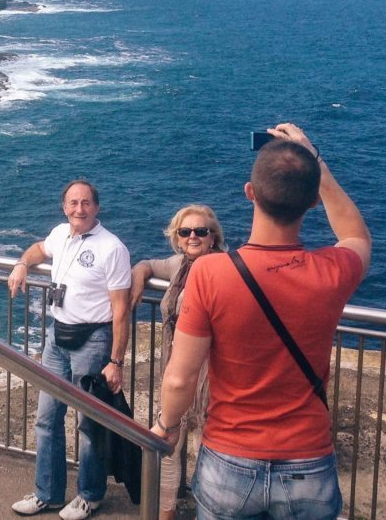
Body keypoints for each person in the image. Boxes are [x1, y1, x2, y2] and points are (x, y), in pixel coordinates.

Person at [153, 123, 371, 519]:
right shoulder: (333, 270)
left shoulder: (211, 273)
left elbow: (180, 378)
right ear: (310, 203)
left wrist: (166, 426)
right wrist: (316, 163)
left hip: (229, 458)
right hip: (308, 459)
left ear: (250, 193)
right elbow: (356, 235)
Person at [8, 180, 133, 519]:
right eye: (74, 203)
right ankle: (47, 493)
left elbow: (121, 310)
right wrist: (22, 263)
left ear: (97, 207)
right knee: (47, 419)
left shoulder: (112, 248)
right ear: (64, 207)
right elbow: (37, 249)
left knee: (88, 423)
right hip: (57, 338)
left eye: (86, 203)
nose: (80, 209)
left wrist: (116, 360)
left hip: (92, 341)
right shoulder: (61, 234)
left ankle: (89, 495)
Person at [129, 205, 226, 520]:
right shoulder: (178, 265)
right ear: (177, 237)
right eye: (186, 232)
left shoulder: (225, 268)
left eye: (201, 231)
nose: (193, 237)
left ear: (214, 237)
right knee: (169, 443)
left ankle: (210, 512)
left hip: (211, 374)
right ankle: (166, 513)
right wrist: (139, 277)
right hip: (175, 369)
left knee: (208, 448)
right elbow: (146, 263)